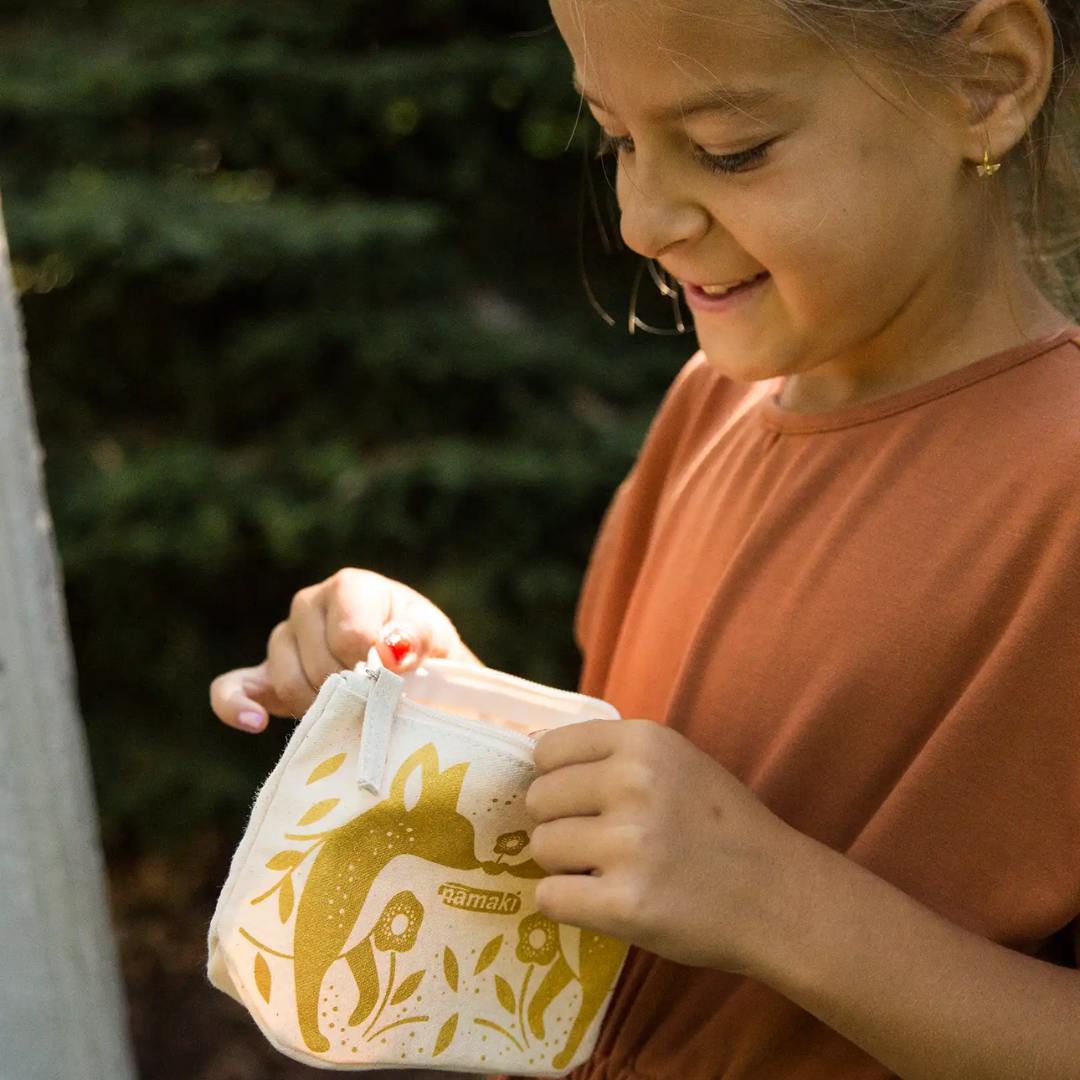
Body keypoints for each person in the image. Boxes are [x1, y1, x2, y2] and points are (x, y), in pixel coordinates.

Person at [211, 0, 1080, 1076]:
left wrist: (778, 903)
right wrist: (460, 716)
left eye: (732, 150)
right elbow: (649, 872)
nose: (641, 218)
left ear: (988, 82)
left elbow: (729, 878)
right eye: (619, 140)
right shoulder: (709, 411)